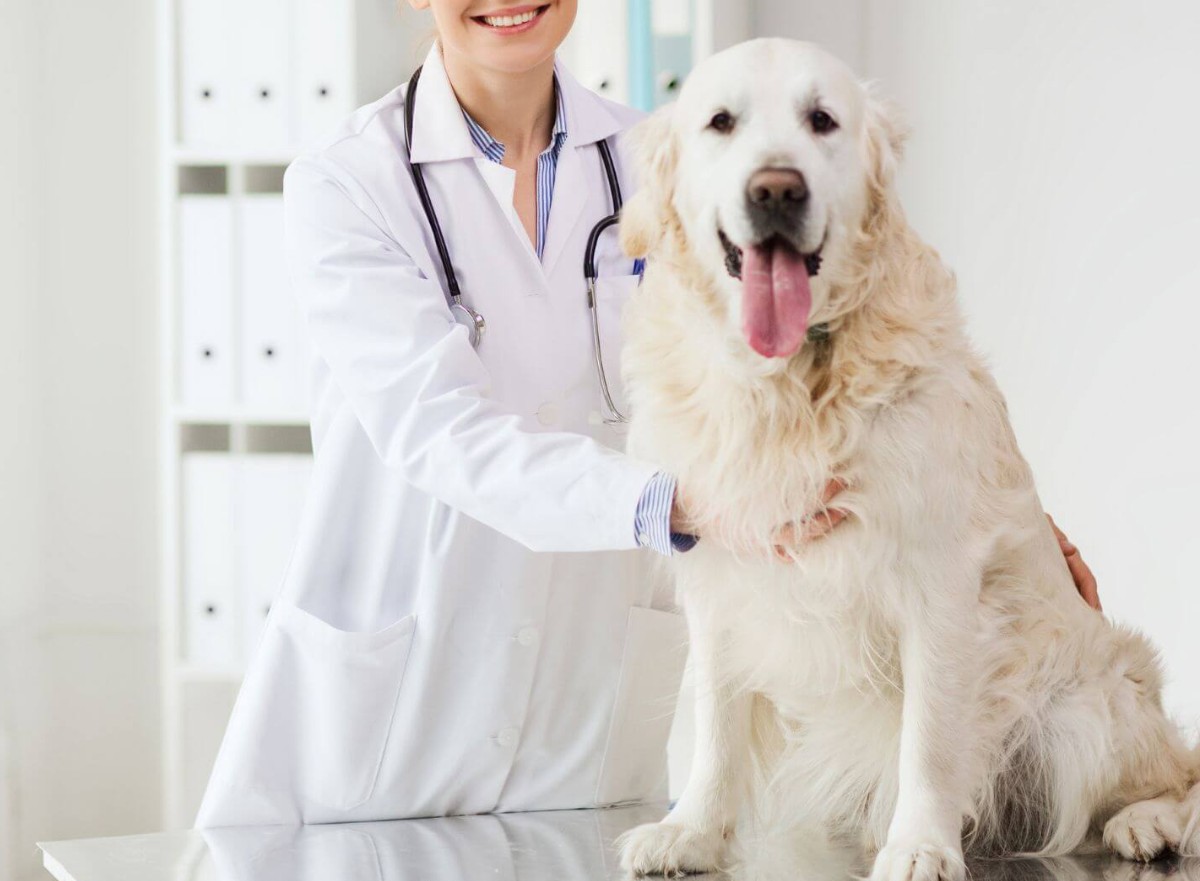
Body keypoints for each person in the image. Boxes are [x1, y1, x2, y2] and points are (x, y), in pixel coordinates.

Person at [195, 0, 1099, 829]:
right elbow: (436, 432)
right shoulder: (349, 183)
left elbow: (827, 376)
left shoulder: (672, 152)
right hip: (395, 727)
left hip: (586, 731)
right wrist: (673, 507)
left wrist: (996, 526)